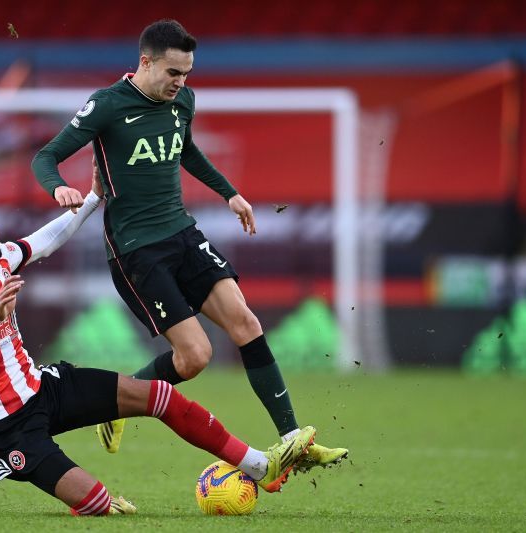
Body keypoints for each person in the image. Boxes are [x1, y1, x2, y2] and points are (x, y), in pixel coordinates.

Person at [31, 19, 347, 472]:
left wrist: (229, 192)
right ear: (146, 62)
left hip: (182, 232)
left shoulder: (183, 101)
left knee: (245, 322)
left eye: (187, 74)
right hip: (136, 250)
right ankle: (115, 405)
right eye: (173, 73)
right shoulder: (106, 105)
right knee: (196, 357)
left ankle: (293, 439)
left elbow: (187, 150)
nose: (181, 83)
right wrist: (59, 187)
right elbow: (45, 156)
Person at [0, 174, 317, 515]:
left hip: (40, 387)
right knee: (96, 504)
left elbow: (44, 240)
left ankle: (261, 467)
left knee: (159, 395)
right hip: (1, 423)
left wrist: (94, 196)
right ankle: (82, 494)